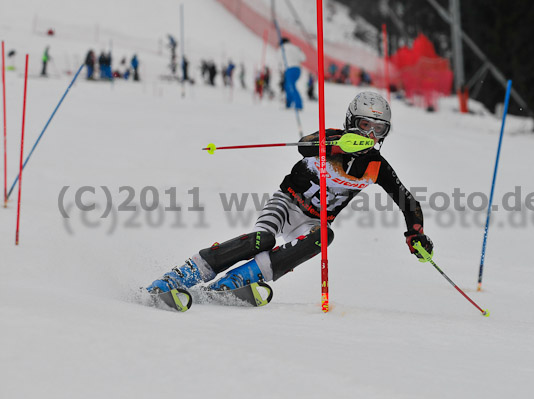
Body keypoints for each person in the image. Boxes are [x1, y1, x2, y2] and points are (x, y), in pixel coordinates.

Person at [146, 91, 434, 298]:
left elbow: (406, 199)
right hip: (287, 202)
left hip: (314, 220)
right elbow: (303, 145)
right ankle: (189, 272)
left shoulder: (376, 166)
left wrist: (416, 233)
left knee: (325, 235)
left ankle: (240, 279)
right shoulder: (332, 137)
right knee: (264, 238)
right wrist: (336, 146)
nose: (370, 136)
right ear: (350, 122)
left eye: (378, 129)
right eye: (364, 126)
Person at [280, 38, 306, 110]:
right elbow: (303, 58)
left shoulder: (282, 48)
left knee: (290, 86)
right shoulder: (296, 48)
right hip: (297, 69)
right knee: (288, 86)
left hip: (289, 69)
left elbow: (279, 60)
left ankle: (298, 105)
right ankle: (289, 103)